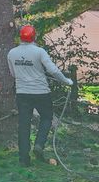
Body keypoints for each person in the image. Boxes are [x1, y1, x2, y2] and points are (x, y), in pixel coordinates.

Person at [6, 23, 71, 166]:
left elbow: (12, 73)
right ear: (34, 36)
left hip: (22, 93)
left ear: (20, 37)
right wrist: (66, 81)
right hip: (41, 92)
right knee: (47, 117)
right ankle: (39, 144)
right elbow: (53, 71)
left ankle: (24, 160)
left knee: (24, 125)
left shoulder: (12, 53)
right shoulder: (39, 52)